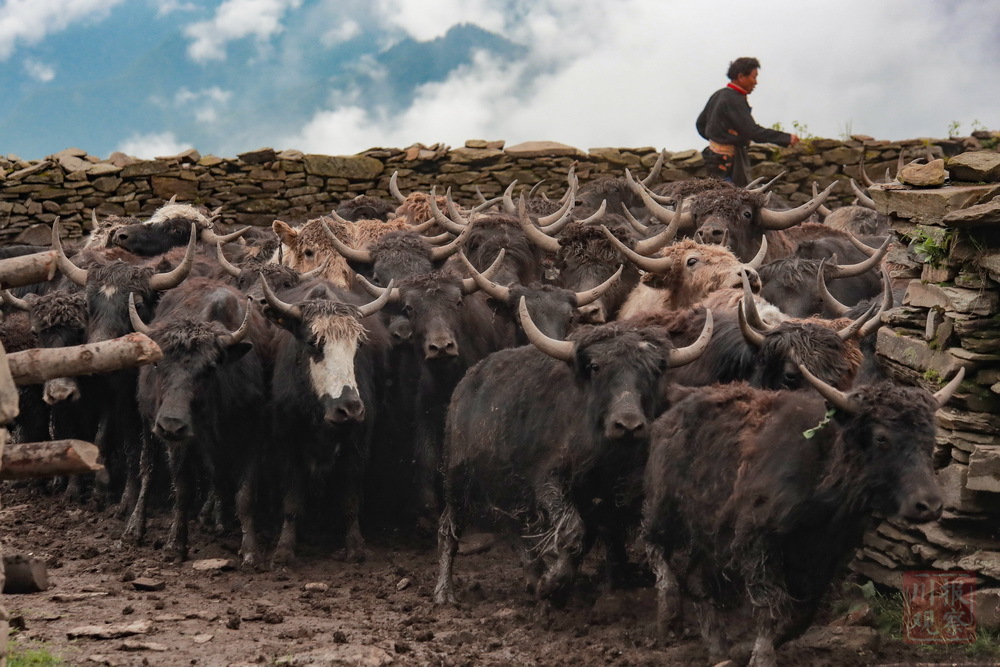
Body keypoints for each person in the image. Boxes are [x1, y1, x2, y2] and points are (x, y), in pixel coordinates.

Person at [696, 57, 800, 186]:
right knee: (732, 198)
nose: (755, 82)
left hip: (713, 159)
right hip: (729, 165)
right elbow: (752, 131)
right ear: (741, 77)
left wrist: (718, 138)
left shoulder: (719, 95)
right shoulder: (734, 99)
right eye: (754, 77)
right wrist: (785, 138)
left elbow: (700, 124)